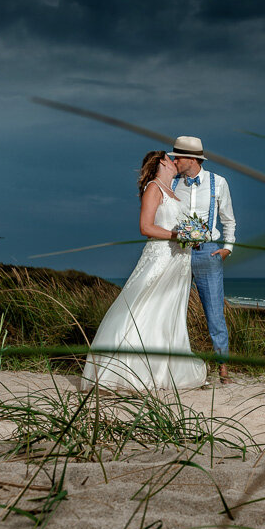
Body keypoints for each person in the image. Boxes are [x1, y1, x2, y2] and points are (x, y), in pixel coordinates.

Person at [82, 150, 207, 393]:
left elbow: (178, 226)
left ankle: (163, 370)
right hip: (160, 257)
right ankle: (129, 370)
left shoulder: (174, 192)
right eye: (171, 158)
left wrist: (193, 237)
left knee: (168, 312)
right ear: (161, 163)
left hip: (179, 261)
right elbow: (146, 227)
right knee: (145, 306)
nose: (175, 161)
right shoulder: (154, 188)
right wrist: (178, 235)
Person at [169, 136, 236, 384]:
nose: (174, 161)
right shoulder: (172, 182)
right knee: (173, 308)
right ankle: (174, 363)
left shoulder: (218, 182)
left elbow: (228, 219)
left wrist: (227, 248)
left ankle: (223, 367)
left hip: (207, 252)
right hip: (177, 252)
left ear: (192, 159)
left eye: (178, 157)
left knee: (214, 312)